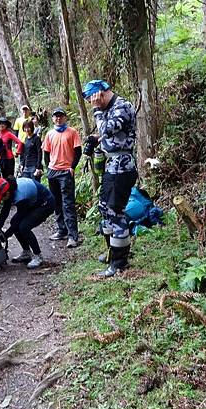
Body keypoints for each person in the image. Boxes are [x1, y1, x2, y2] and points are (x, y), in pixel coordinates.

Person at [82, 79, 137, 277]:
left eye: (93, 99)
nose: (92, 104)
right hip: (111, 167)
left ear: (101, 94)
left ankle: (119, 263)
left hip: (122, 169)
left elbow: (107, 128)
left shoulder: (122, 106)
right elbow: (107, 133)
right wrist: (96, 140)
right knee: (105, 210)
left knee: (115, 212)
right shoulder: (109, 108)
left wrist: (97, 110)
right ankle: (112, 252)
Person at [0, 176, 55, 269]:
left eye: (1, 198)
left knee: (24, 227)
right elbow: (5, 211)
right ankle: (26, 252)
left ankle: (38, 256)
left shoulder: (20, 196)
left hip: (45, 204)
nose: (0, 200)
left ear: (7, 193)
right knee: (15, 223)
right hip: (33, 203)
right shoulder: (9, 190)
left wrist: (4, 236)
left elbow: (18, 222)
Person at [42, 107, 82, 248]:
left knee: (68, 204)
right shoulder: (50, 134)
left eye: (60, 116)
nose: (58, 118)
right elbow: (46, 152)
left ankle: (73, 236)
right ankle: (61, 230)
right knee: (56, 202)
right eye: (56, 116)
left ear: (65, 117)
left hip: (66, 172)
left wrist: (72, 167)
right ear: (53, 118)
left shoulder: (72, 132)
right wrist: (48, 168)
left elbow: (78, 151)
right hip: (53, 171)